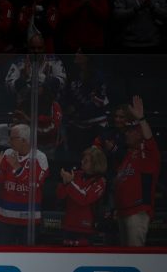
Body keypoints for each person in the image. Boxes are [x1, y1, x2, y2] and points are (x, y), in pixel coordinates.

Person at [0, 123, 49, 245]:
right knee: (3, 257)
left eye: (12, 138)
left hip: (28, 221)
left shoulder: (40, 158)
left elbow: (34, 185)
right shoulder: (7, 153)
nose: (9, 141)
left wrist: (18, 168)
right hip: (4, 218)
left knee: (27, 260)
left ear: (24, 140)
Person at [114, 96, 160, 247]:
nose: (127, 134)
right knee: (125, 259)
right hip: (123, 212)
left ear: (139, 133)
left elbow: (149, 138)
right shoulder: (128, 155)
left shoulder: (147, 153)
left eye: (131, 131)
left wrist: (141, 119)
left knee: (135, 255)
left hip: (137, 212)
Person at [56, 146, 107, 246]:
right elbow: (60, 195)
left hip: (86, 229)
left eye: (86, 160)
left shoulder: (100, 181)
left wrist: (70, 184)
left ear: (95, 163)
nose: (82, 161)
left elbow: (85, 199)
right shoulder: (75, 174)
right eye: (83, 159)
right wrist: (64, 182)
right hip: (69, 226)